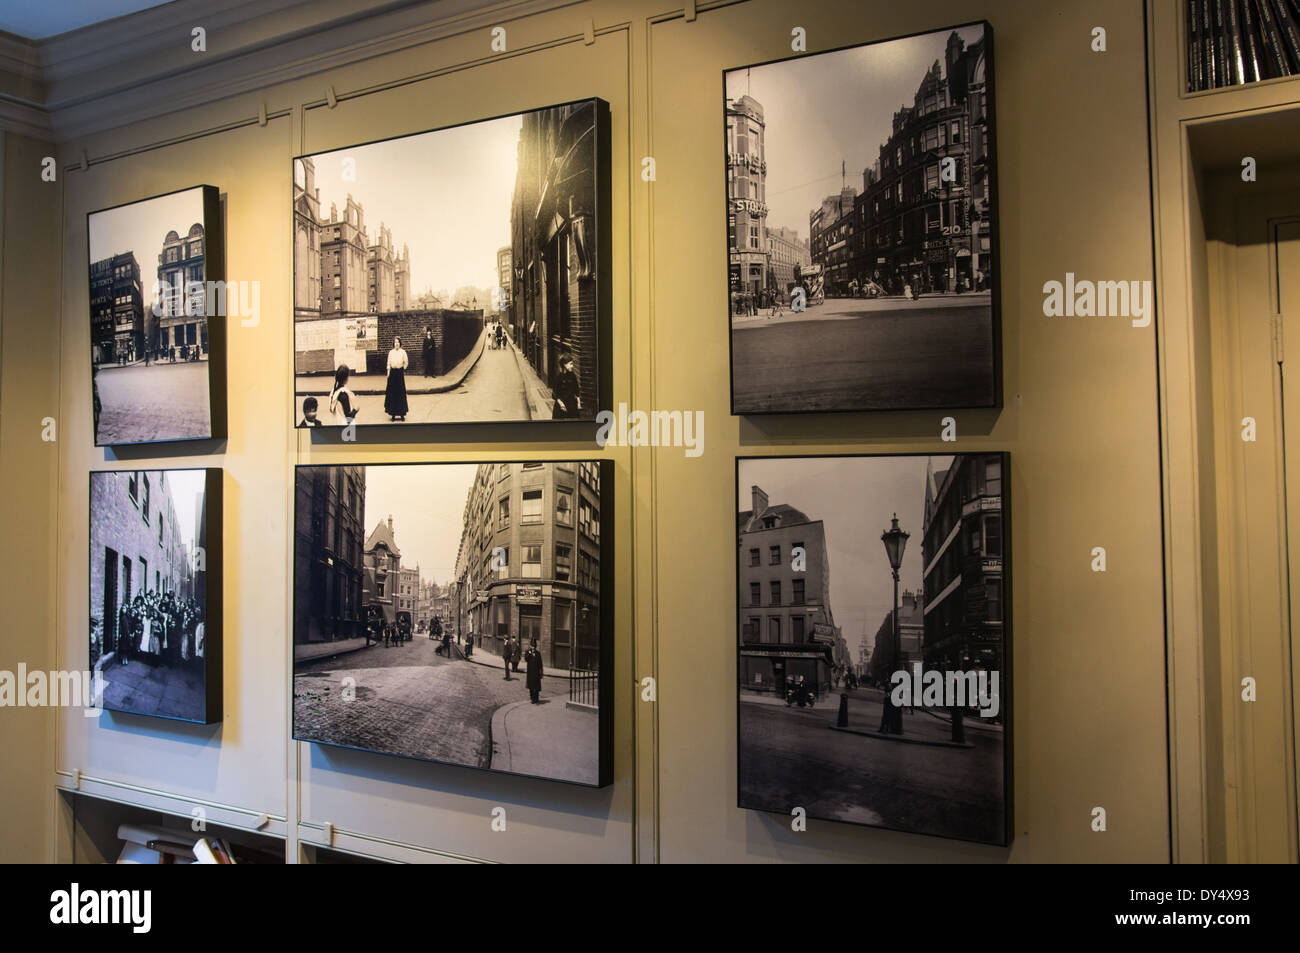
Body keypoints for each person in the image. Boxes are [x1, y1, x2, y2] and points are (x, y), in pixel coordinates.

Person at [384, 336, 409, 421]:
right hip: (392, 374)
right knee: (393, 394)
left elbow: (406, 363)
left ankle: (402, 414)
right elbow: (388, 364)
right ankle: (393, 414)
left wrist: (402, 369)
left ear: (400, 344)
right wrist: (388, 373)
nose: (396, 344)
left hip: (399, 374)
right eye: (395, 342)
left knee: (400, 393)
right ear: (393, 344)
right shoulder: (391, 352)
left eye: (398, 342)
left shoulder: (403, 352)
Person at [551, 354, 581, 419]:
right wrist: (561, 404)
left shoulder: (573, 376)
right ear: (564, 365)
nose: (572, 366)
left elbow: (576, 390)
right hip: (561, 406)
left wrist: (578, 403)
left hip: (572, 405)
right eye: (570, 364)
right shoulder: (558, 377)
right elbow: (555, 394)